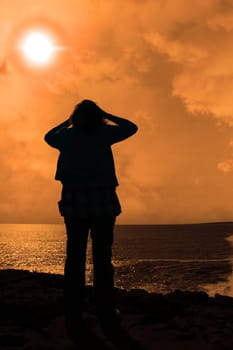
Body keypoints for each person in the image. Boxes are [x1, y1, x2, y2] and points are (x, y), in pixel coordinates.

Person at [44, 99, 138, 335]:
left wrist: (67, 122)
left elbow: (48, 136)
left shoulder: (65, 137)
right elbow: (131, 127)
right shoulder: (104, 133)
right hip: (102, 201)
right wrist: (107, 114)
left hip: (74, 202)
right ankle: (105, 311)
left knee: (74, 258)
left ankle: (73, 313)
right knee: (102, 258)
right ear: (98, 117)